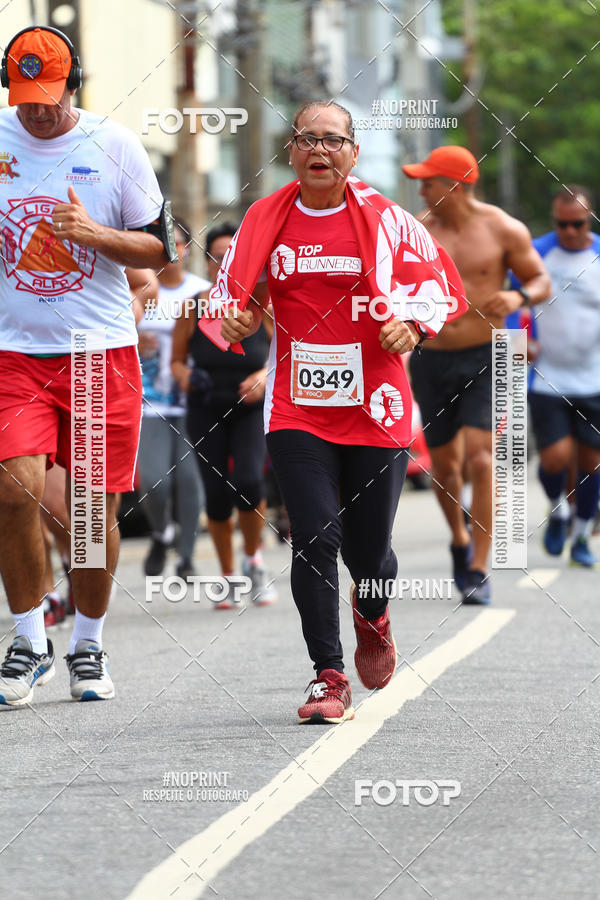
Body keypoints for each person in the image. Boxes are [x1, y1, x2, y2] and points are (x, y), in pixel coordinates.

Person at [207, 101, 467, 723]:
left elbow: (441, 288)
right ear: (291, 152)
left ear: (353, 152)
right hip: (298, 402)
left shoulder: (387, 219)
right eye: (307, 140)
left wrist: (413, 326)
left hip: (375, 403)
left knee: (369, 552)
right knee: (314, 537)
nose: (319, 151)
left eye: (333, 140)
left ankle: (372, 613)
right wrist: (239, 318)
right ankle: (328, 677)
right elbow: (232, 298)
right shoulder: (265, 218)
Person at [0, 26, 169, 707]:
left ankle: (88, 644)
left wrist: (93, 234)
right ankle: (28, 639)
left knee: (94, 517)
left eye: (48, 97)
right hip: (13, 354)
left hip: (99, 356)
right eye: (23, 97)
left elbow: (161, 249)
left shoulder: (115, 145)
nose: (36, 111)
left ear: (75, 87)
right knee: (12, 493)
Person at [402, 146, 551, 604]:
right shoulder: (418, 231)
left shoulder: (503, 228)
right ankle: (459, 540)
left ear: (455, 185)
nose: (421, 188)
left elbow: (540, 280)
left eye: (429, 181)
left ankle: (479, 566)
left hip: (489, 353)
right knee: (445, 466)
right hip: (432, 356)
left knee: (483, 460)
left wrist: (518, 297)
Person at [171, 223, 276, 607]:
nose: (225, 262)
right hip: (205, 405)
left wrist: (262, 377)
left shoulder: (262, 303)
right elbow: (177, 362)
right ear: (210, 262)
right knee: (216, 493)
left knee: (248, 481)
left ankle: (255, 559)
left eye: (233, 253)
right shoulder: (195, 304)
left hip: (249, 407)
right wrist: (187, 376)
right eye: (218, 255)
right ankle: (229, 575)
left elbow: (285, 354)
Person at [520, 185, 600, 566]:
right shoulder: (537, 251)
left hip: (595, 380)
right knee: (554, 458)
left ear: (590, 219)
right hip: (548, 378)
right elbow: (510, 299)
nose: (568, 231)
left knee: (590, 462)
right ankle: (559, 511)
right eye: (561, 223)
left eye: (577, 223)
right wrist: (516, 338)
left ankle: (582, 536)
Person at [137, 219, 208, 579]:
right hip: (148, 400)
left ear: (186, 248)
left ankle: (186, 557)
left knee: (190, 480)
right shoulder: (139, 288)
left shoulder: (202, 291)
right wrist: (135, 341)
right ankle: (162, 530)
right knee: (154, 480)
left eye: (174, 244)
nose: (168, 251)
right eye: (159, 244)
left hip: (193, 399)